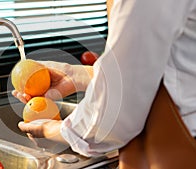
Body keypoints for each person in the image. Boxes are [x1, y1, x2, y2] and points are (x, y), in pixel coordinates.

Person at [12, 0, 196, 157]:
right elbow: (174, 64)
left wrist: (52, 129)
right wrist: (80, 75)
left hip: (181, 146)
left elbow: (116, 116)